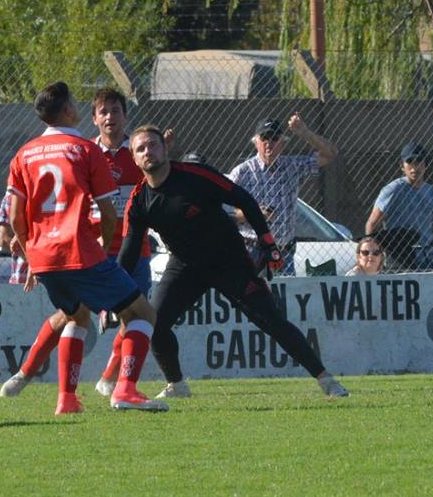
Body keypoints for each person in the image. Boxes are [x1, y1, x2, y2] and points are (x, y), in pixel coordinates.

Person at [116, 125, 347, 401]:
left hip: (228, 260)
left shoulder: (195, 175)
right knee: (155, 323)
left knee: (270, 320)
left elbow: (244, 199)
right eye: (140, 149)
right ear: (134, 158)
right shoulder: (138, 201)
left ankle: (326, 379)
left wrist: (268, 242)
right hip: (185, 266)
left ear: (165, 149)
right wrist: (113, 292)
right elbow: (129, 252)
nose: (148, 152)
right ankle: (177, 385)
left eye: (153, 145)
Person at [0, 82, 166, 413]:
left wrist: (31, 253)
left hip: (45, 256)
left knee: (76, 316)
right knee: (143, 313)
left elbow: (15, 215)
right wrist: (102, 246)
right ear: (70, 111)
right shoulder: (85, 150)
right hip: (81, 251)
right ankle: (125, 390)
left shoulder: (24, 153)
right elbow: (109, 212)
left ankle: (67, 399)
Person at [88, 88, 157, 396]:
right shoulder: (86, 154)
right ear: (94, 119)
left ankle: (112, 379)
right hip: (97, 248)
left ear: (126, 116)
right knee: (76, 314)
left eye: (115, 111)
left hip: (135, 246)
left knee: (136, 317)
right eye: (103, 112)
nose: (109, 117)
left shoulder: (138, 152)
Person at [227, 114, 338, 273]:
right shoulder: (242, 172)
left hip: (283, 251)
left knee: (285, 289)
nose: (269, 143)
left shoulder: (292, 166)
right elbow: (225, 210)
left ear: (282, 142)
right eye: (264, 137)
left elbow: (330, 154)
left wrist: (305, 133)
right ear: (256, 141)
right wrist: (252, 213)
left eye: (274, 138)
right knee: (248, 287)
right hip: (251, 249)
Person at [362, 142, 433, 271]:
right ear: (402, 166)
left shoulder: (430, 191)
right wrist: (372, 256)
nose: (414, 167)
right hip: (403, 256)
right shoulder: (393, 190)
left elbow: (431, 227)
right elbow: (372, 224)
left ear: (425, 164)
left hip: (431, 255)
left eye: (419, 161)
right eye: (409, 162)